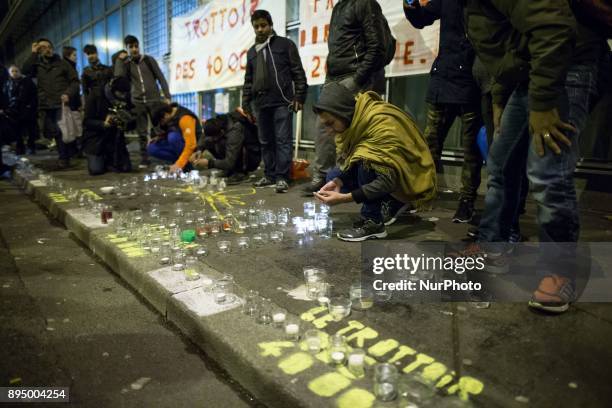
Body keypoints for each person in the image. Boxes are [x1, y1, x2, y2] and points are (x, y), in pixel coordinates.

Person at [462, 0, 608, 312]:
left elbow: (553, 27)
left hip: (569, 63)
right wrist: (502, 99)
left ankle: (558, 272)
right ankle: (493, 247)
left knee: (547, 170)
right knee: (501, 161)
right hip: (532, 72)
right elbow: (509, 48)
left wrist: (543, 105)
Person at [312, 82, 437, 242]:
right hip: (389, 173)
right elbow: (350, 160)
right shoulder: (355, 119)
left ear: (343, 113)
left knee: (366, 161)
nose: (329, 131)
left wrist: (345, 198)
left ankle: (373, 223)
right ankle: (392, 203)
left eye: (330, 123)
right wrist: (339, 181)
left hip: (410, 179)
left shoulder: (380, 124)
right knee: (333, 175)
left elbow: (387, 182)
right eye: (325, 125)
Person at [404, 0, 483, 223]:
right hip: (443, 77)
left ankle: (466, 201)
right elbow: (421, 18)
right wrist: (410, 2)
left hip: (470, 80)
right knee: (429, 144)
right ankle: (421, 195)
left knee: (471, 149)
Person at [303, 0, 393, 194]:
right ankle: (327, 177)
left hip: (355, 77)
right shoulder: (340, 7)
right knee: (325, 129)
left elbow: (377, 47)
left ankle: (352, 183)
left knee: (357, 134)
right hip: (335, 77)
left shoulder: (365, 3)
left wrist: (358, 79)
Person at [242, 9, 307, 193]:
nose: (260, 29)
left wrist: (299, 96)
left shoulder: (285, 45)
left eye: (263, 25)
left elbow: (298, 71)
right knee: (265, 141)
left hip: (282, 101)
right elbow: (248, 80)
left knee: (282, 140)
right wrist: (246, 103)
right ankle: (269, 175)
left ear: (270, 25)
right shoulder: (251, 53)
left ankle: (282, 177)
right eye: (256, 27)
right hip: (260, 103)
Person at [22, 38, 79, 169]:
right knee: (51, 132)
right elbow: (25, 70)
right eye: (43, 47)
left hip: (61, 103)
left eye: (49, 46)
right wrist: (33, 53)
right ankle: (67, 152)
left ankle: (64, 158)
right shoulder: (37, 65)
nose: (47, 49)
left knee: (60, 130)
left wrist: (68, 93)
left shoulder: (63, 64)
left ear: (52, 48)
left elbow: (75, 81)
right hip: (45, 104)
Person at [115, 35, 171, 168]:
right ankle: (145, 159)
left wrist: (167, 96)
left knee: (160, 128)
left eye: (136, 46)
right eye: (131, 47)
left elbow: (161, 77)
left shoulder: (149, 60)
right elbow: (119, 78)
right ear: (127, 49)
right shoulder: (127, 65)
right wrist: (119, 60)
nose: (134, 49)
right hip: (138, 102)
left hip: (154, 100)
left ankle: (167, 155)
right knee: (141, 132)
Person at [190, 109, 261, 183]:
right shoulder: (216, 123)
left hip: (251, 156)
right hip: (233, 147)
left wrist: (209, 163)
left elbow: (230, 162)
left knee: (222, 143)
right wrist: (199, 150)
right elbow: (205, 136)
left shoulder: (234, 130)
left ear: (221, 132)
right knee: (209, 141)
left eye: (215, 137)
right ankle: (229, 170)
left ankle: (240, 172)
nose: (213, 139)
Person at [82, 77, 133, 175]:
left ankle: (111, 159)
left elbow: (133, 120)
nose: (123, 96)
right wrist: (103, 124)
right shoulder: (96, 95)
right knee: (96, 170)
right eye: (121, 93)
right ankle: (100, 158)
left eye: (125, 94)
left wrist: (124, 122)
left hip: (115, 138)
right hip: (96, 139)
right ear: (114, 90)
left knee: (126, 168)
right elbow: (87, 121)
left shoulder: (125, 96)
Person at [149, 102, 201, 174]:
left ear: (166, 115)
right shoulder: (170, 116)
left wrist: (179, 165)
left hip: (193, 149)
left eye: (161, 121)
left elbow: (191, 145)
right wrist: (160, 137)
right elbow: (172, 130)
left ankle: (186, 166)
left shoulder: (185, 118)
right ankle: (179, 161)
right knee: (152, 147)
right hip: (178, 144)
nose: (161, 124)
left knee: (173, 137)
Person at [3, 65, 37, 155]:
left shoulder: (27, 81)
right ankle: (20, 148)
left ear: (20, 71)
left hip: (27, 109)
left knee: (30, 130)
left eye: (16, 71)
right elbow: (6, 95)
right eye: (12, 71)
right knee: (17, 131)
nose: (14, 73)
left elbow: (33, 95)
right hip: (14, 110)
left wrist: (31, 107)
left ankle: (31, 147)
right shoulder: (8, 83)